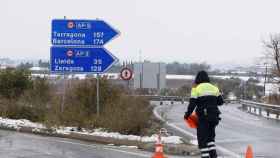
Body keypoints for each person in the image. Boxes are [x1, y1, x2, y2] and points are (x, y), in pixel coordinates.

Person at [184, 70, 224, 158]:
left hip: (203, 117)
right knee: (210, 138)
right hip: (214, 117)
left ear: (197, 78)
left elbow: (192, 104)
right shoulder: (214, 88)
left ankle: (205, 156)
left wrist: (187, 115)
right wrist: (212, 101)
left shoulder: (196, 89)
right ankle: (213, 156)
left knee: (202, 139)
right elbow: (221, 102)